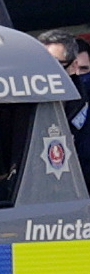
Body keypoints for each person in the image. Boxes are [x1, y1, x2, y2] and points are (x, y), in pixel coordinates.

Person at [38, 29, 90, 189]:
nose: (45, 73)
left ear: (73, 66)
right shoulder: (22, 107)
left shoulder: (84, 109)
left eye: (54, 65)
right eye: (40, 64)